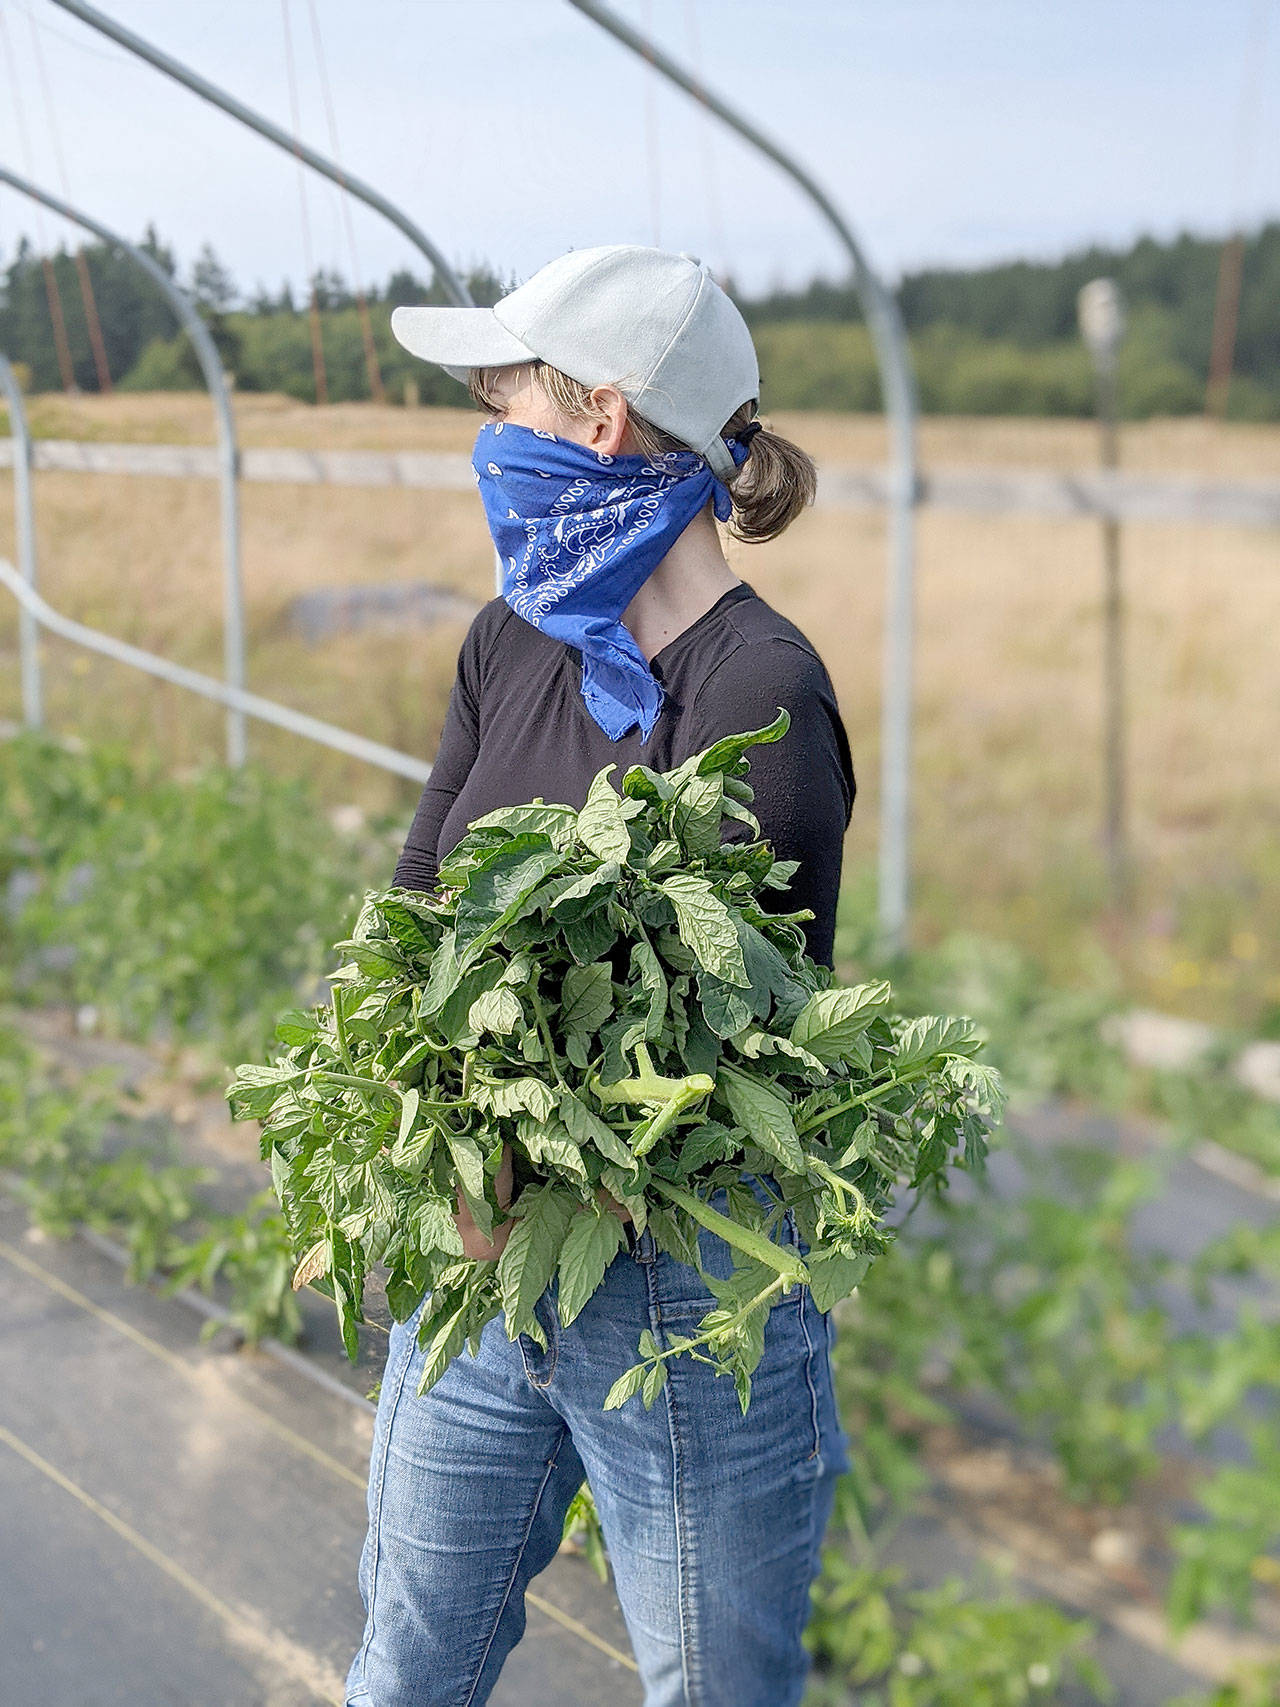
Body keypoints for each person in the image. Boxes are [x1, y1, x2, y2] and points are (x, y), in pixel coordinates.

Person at [344, 245, 856, 1707]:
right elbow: (418, 916)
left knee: (712, 1691)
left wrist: (496, 1178)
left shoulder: (761, 695)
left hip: (679, 1294)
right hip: (479, 1273)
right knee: (404, 1675)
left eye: (500, 392)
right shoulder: (509, 641)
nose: (484, 429)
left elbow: (726, 1042)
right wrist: (444, 1166)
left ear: (600, 422)